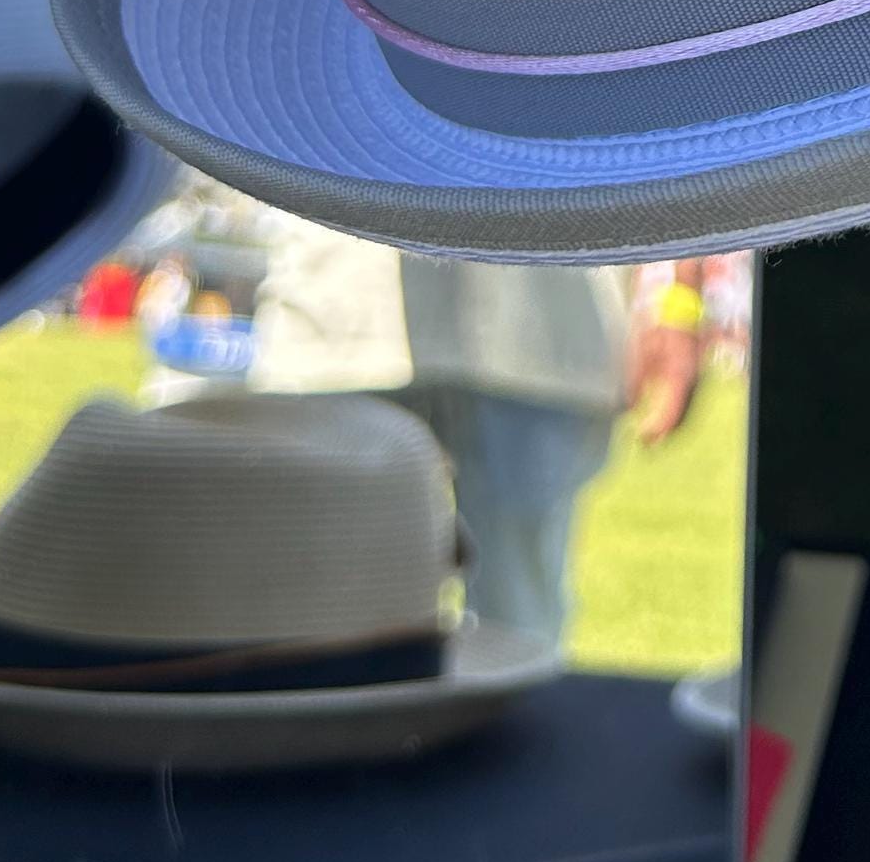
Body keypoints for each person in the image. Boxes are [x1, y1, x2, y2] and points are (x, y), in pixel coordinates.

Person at [248, 216, 633, 651]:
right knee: (330, 624)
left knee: (518, 625)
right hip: (343, 309)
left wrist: (676, 298)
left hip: (543, 311)